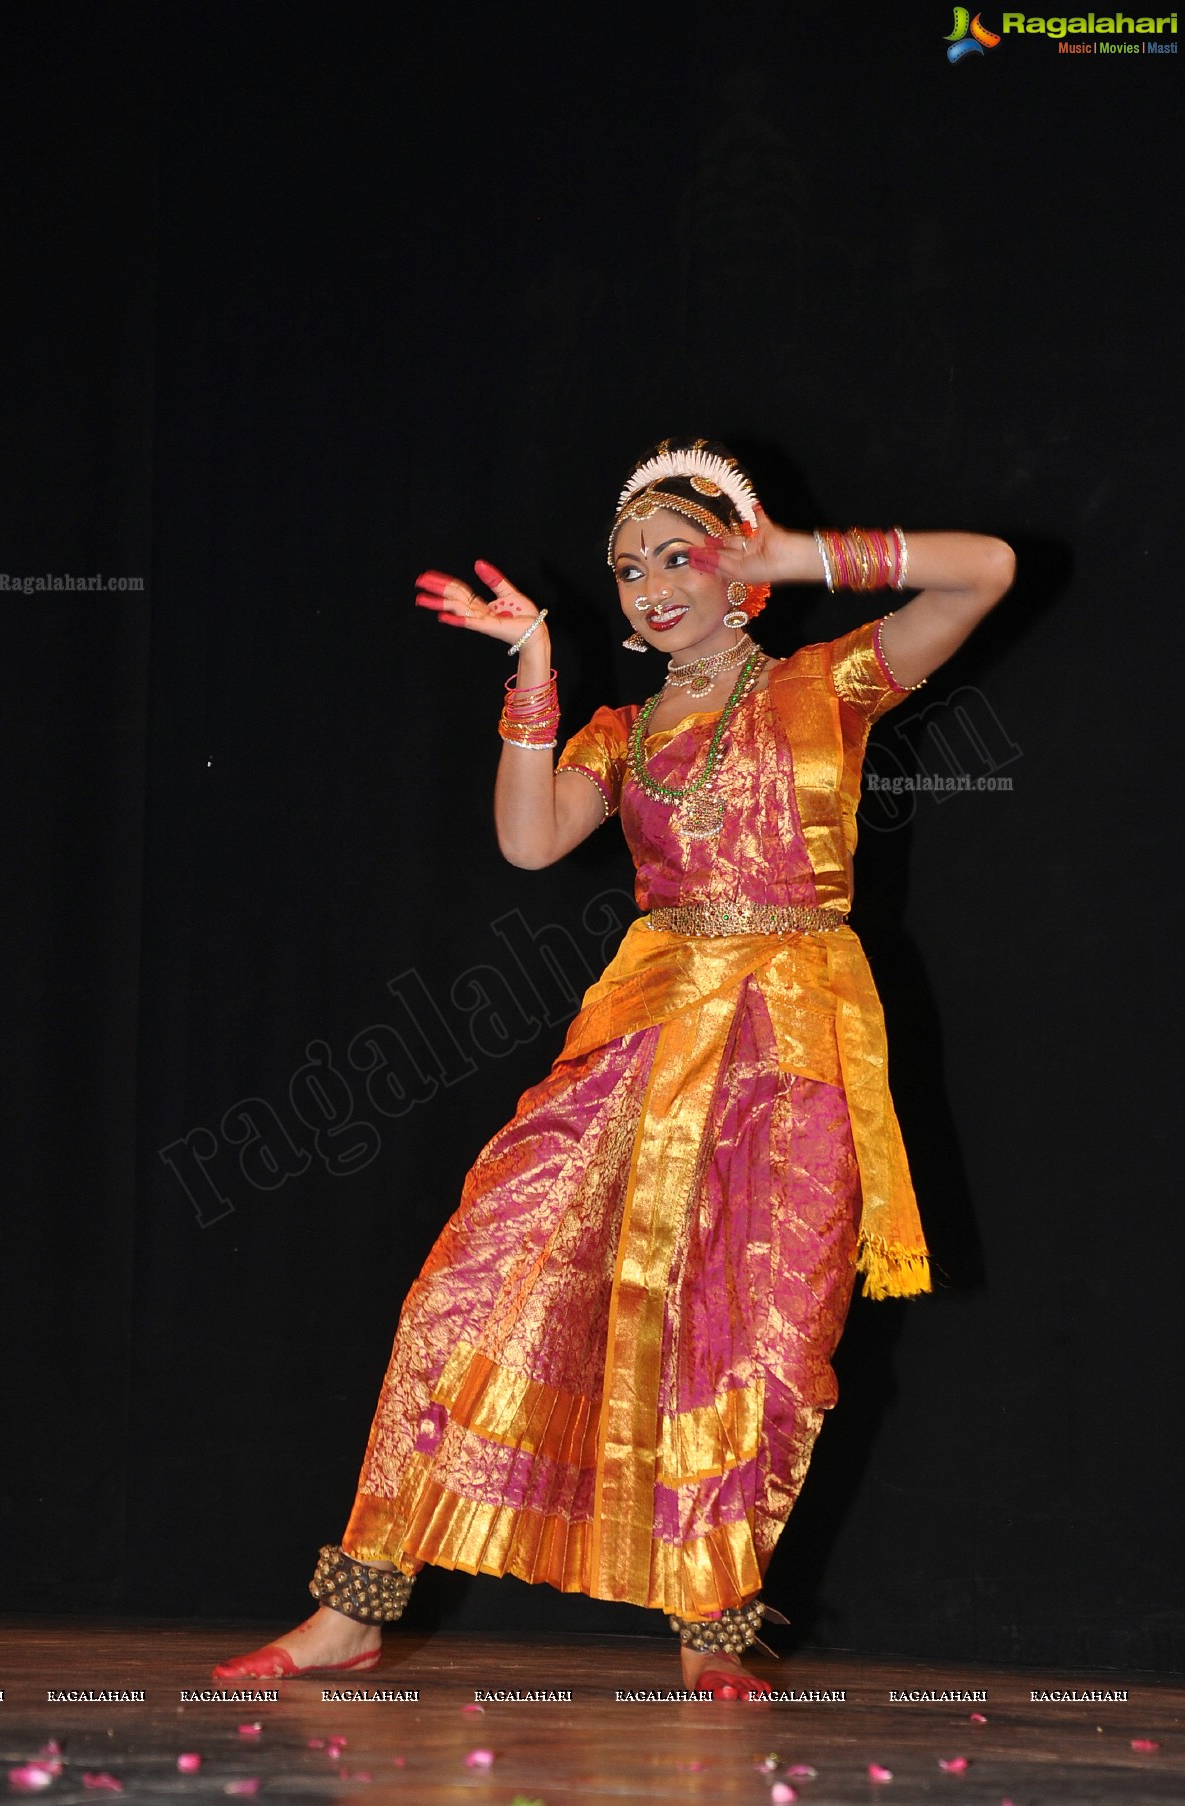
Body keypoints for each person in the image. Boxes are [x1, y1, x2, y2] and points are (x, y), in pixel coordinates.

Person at [214, 438, 1015, 1698]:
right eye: (626, 565)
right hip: (637, 1032)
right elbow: (529, 842)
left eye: (676, 553)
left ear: (736, 564)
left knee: (758, 1331)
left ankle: (712, 1625)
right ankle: (354, 1605)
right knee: (469, 1290)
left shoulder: (829, 685)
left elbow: (985, 571)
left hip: (790, 1038)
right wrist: (534, 668)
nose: (647, 583)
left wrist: (799, 556)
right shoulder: (617, 731)